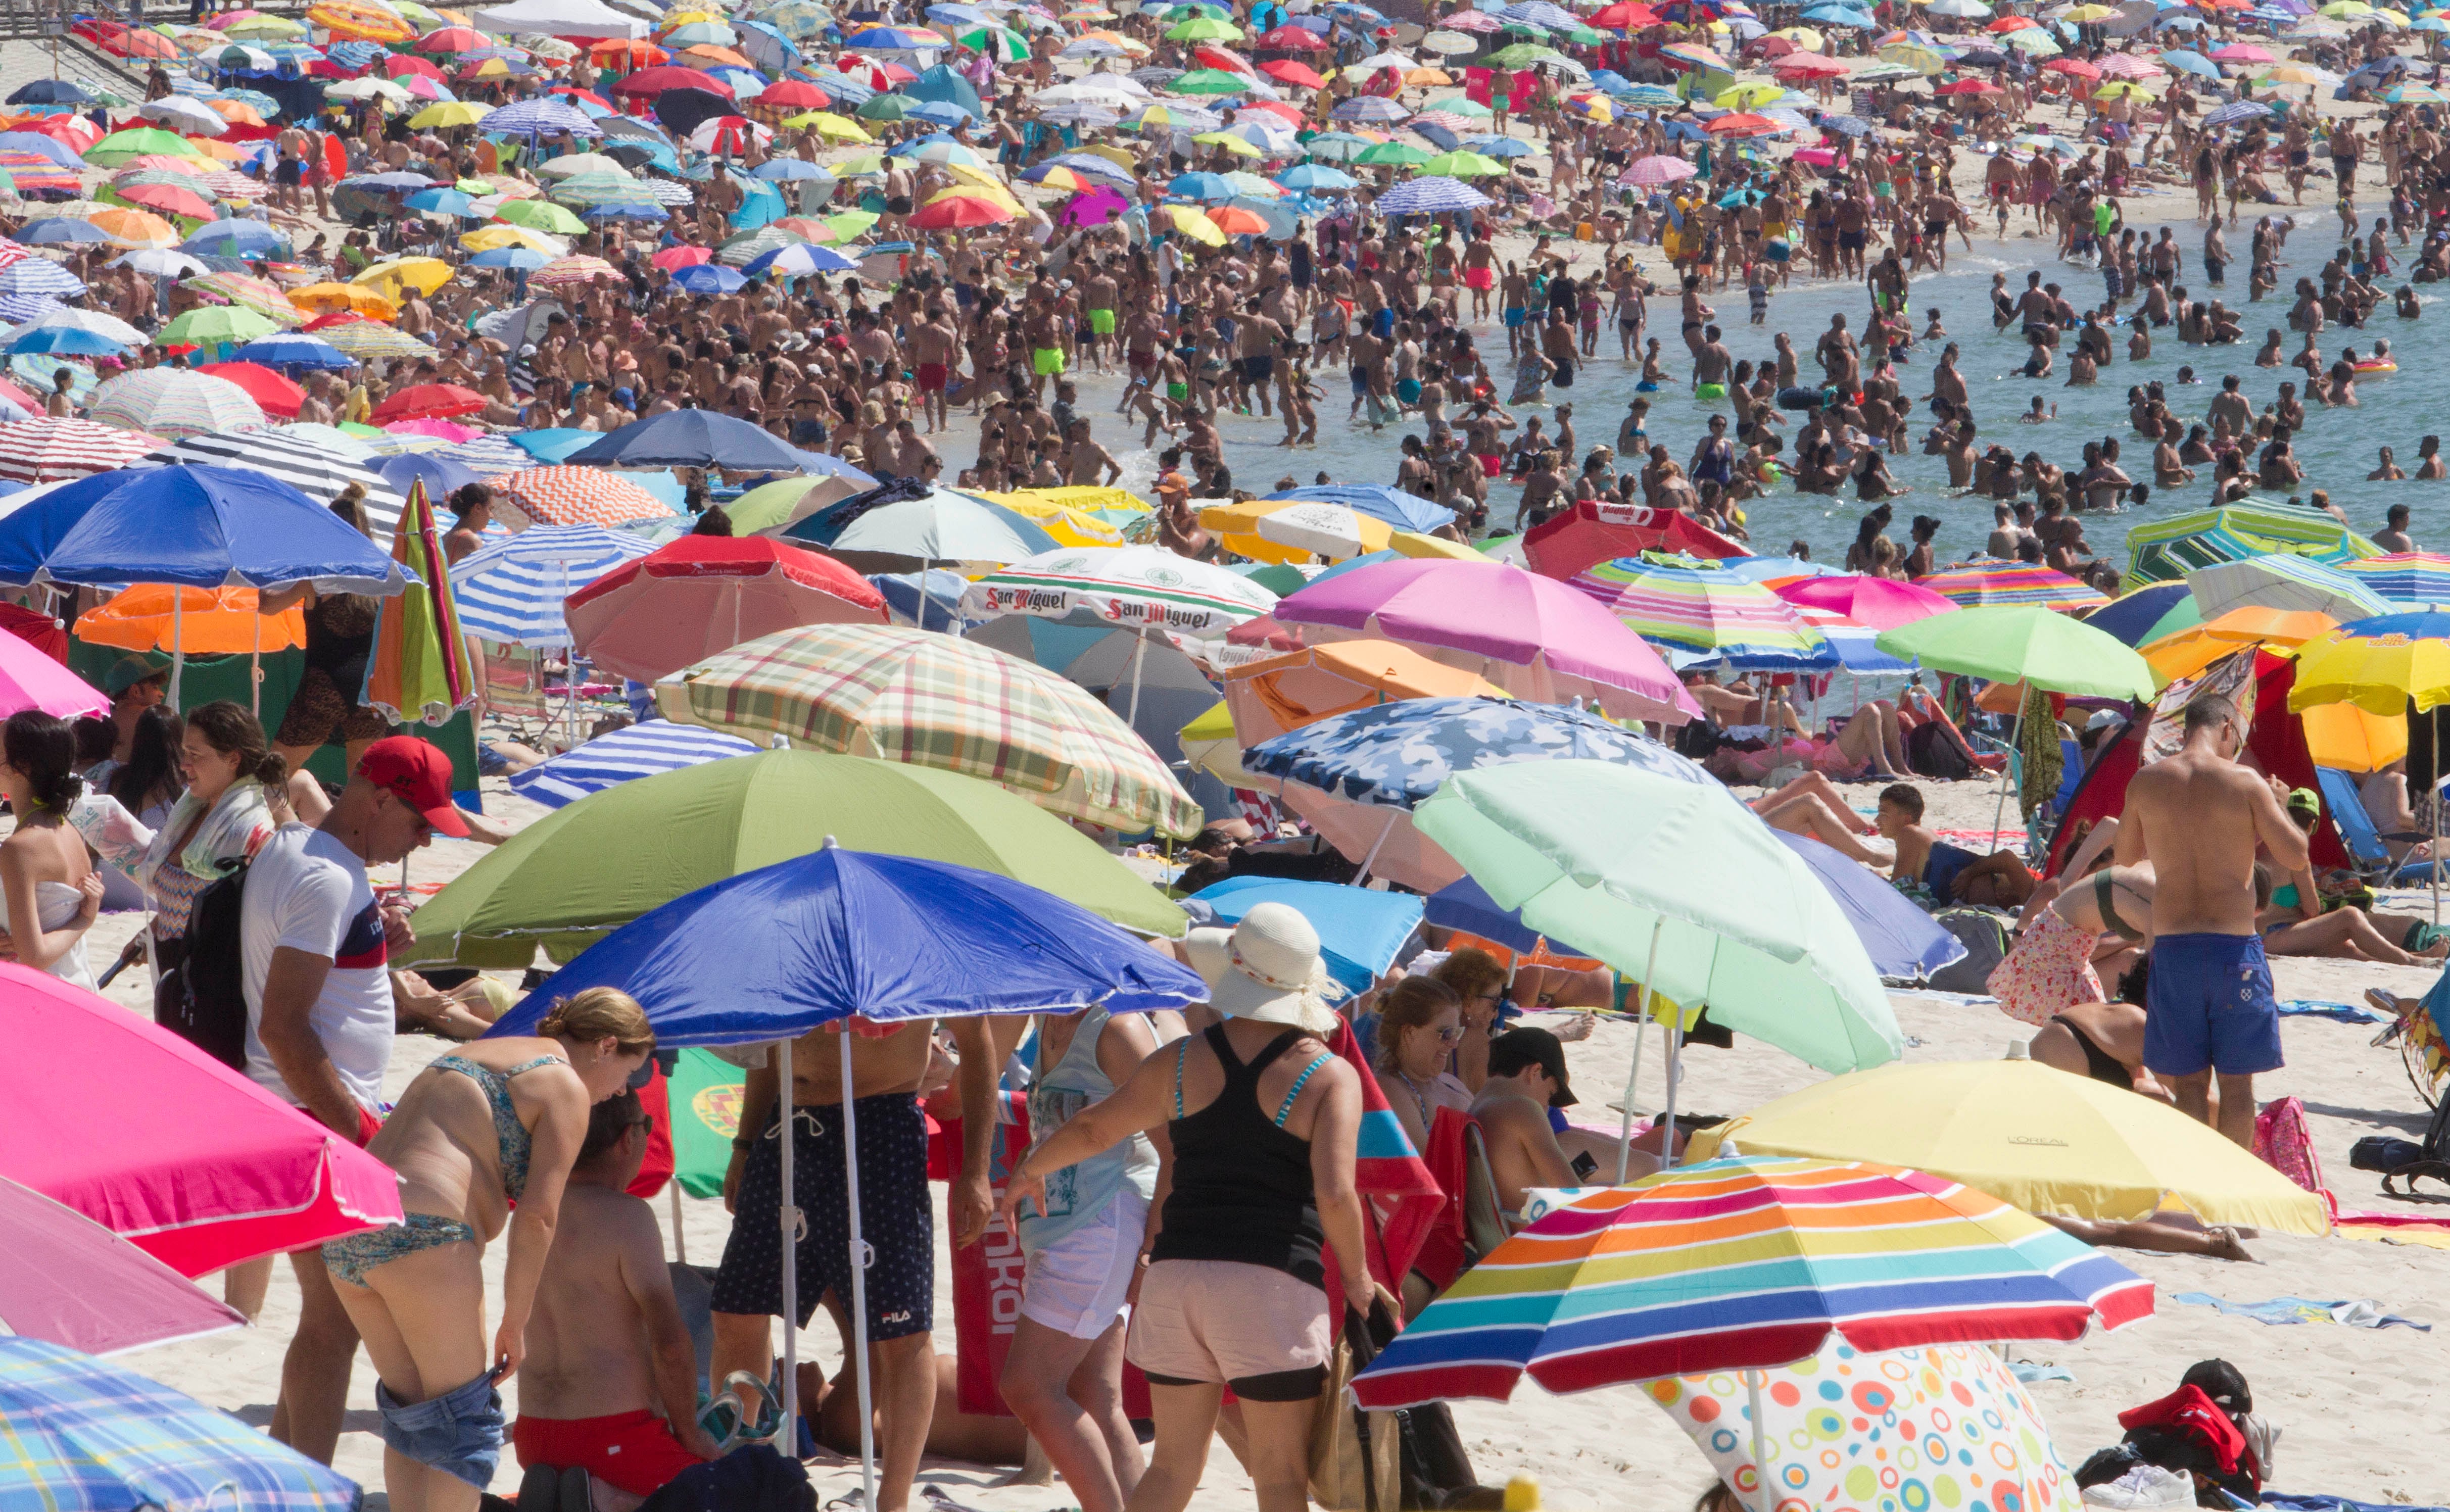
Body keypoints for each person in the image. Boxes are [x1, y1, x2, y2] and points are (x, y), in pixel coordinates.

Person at [997, 904, 1372, 1512]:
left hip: (1176, 1280)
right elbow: (1334, 1193)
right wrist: (1356, 1277)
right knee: (1279, 1478)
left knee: (1172, 1469)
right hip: (1268, 1281)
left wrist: (1028, 1171)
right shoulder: (1328, 1076)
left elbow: (1095, 1129)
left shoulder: (1181, 1059)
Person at [324, 988, 656, 1512]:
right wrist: (515, 1322)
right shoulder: (564, 1082)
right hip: (427, 1236)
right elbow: (539, 1216)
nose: (619, 1094)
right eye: (628, 1075)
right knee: (463, 1428)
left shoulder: (481, 1049)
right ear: (607, 1045)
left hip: (349, 1225)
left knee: (414, 1419)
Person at [244, 736, 472, 1466]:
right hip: (314, 1119)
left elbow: (320, 986)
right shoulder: (328, 880)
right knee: (334, 1322)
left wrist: (378, 950)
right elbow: (284, 1027)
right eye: (420, 822)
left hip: (293, 1112)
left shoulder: (297, 852)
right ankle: (306, 1488)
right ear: (379, 799)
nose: (425, 840)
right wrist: (362, 1133)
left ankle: (284, 1476)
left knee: (326, 1317)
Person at [710, 1006, 998, 1512]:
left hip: (880, 1119)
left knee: (900, 1325)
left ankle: (892, 1501)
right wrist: (745, 1141)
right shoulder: (798, 936)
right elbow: (769, 1047)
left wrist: (975, 1169)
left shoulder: (911, 938)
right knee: (738, 1307)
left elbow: (977, 1045)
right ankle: (743, 1473)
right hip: (788, 1118)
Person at [512, 1088, 723, 1511]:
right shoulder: (628, 1216)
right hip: (613, 1436)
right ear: (629, 1138)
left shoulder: (530, 1214)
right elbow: (670, 1345)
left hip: (533, 1436)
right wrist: (690, 1433)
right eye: (648, 1127)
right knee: (746, 1487)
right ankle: (611, 1499)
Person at [1000, 996, 1169, 1512]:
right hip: (1073, 1227)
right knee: (1096, 1394)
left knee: (1028, 1386)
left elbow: (1174, 1145)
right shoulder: (1045, 1017)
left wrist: (1149, 1249)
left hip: (1104, 1220)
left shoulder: (1115, 1028)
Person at [2117, 694, 2308, 1146]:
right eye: (2236, 739)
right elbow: (2296, 855)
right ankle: (2233, 1194)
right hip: (2232, 950)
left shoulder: (2146, 781)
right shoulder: (2245, 782)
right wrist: (2278, 803)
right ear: (2226, 728)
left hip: (2174, 949)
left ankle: (2195, 1188)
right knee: (2238, 1084)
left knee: (2188, 1084)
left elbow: (2124, 857)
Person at [0, 711, 103, 988]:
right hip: (77, 983)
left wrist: (85, 921)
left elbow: (34, 956)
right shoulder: (68, 830)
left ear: (20, 766)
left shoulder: (19, 847)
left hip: (40, 995)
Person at [1468, 1027, 1601, 1217]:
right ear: (1536, 1072)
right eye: (1550, 1094)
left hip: (1502, 1227)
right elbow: (1573, 1193)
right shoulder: (1523, 1110)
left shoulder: (1477, 1105)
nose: (1547, 1108)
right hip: (1534, 1233)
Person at [1372, 976, 1473, 1156]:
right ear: (1410, 1033)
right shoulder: (1389, 1089)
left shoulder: (1450, 1082)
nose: (1454, 1043)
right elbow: (1427, 1167)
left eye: (1457, 1033)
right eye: (1447, 1033)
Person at [103, 656, 169, 765]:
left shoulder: (102, 721)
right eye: (155, 687)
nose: (162, 694)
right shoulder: (153, 716)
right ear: (136, 691)